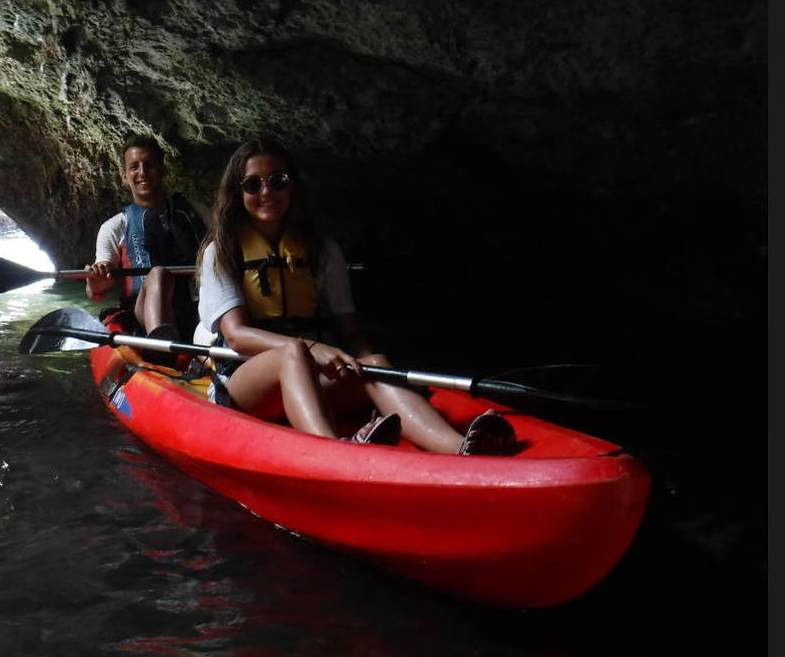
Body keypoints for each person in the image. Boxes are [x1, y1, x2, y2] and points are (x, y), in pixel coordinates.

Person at [194, 135, 516, 454]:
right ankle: (336, 450)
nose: (267, 192)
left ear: (292, 186)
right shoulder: (221, 251)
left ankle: (460, 447)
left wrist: (372, 368)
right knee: (293, 353)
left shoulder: (322, 249)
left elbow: (351, 331)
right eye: (253, 185)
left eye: (278, 181)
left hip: (310, 376)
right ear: (238, 193)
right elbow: (236, 336)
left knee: (373, 362)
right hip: (244, 382)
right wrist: (313, 348)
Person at [84, 134, 209, 343]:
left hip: (196, 308)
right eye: (134, 167)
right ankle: (160, 345)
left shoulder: (196, 212)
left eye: (149, 165)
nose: (142, 173)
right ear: (124, 177)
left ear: (162, 170)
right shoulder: (114, 228)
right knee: (158, 274)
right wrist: (96, 282)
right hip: (141, 316)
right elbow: (95, 290)